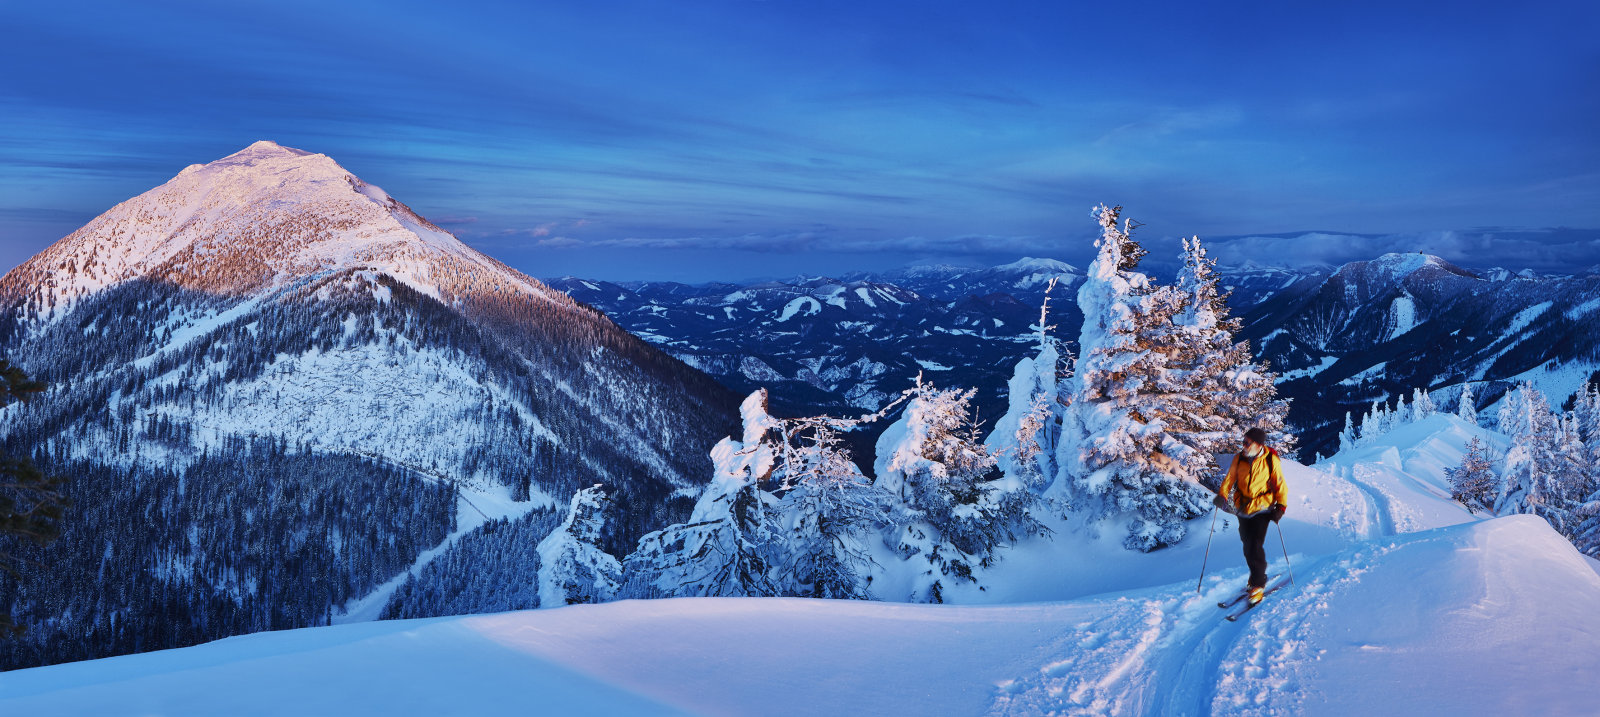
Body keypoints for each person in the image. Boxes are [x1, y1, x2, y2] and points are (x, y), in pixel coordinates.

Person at [1215, 427, 1287, 605]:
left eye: (1247, 442)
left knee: (1254, 545)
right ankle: (1255, 575)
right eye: (1244, 442)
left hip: (1263, 506)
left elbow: (1279, 483)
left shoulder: (1270, 459)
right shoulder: (1239, 458)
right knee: (1247, 546)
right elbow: (1230, 478)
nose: (1244, 445)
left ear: (1258, 444)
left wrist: (1281, 506)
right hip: (1243, 507)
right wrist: (1222, 495)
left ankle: (1258, 583)